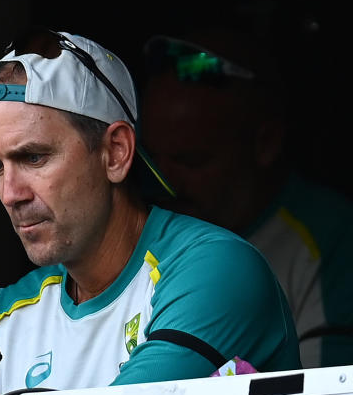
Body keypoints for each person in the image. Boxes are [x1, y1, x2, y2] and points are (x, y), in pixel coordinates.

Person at [0, 27, 300, 391]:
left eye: (34, 157)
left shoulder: (217, 269)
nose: (11, 193)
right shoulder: (1, 316)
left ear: (116, 152)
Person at [139, 28, 353, 369]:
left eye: (191, 161)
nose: (164, 182)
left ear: (265, 143)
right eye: (151, 159)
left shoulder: (331, 240)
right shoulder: (140, 235)